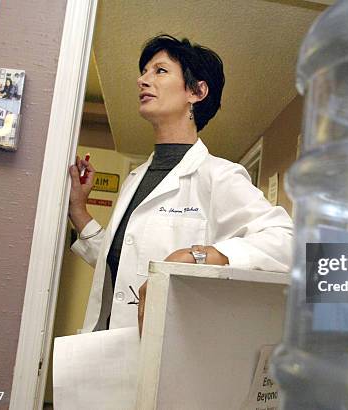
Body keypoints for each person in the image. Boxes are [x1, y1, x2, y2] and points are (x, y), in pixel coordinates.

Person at [68, 34, 293, 335]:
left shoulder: (219, 176)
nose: (142, 80)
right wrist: (79, 211)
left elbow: (288, 243)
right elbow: (123, 268)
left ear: (197, 92)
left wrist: (196, 255)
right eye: (144, 71)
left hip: (167, 357)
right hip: (107, 348)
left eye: (159, 71)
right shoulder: (136, 180)